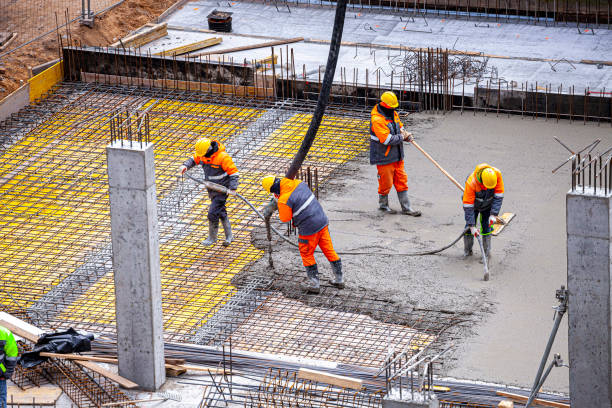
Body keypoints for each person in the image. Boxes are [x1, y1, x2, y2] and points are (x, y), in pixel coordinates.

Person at [261, 175, 343, 294]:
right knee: (329, 250)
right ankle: (339, 279)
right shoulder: (298, 183)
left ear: (274, 190)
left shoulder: (284, 199)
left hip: (309, 229)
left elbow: (285, 218)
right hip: (322, 221)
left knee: (306, 253)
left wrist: (278, 205)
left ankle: (314, 284)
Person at [369, 91, 421, 216]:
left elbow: (400, 127)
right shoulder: (377, 120)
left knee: (402, 181)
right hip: (384, 157)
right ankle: (383, 206)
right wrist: (402, 137)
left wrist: (406, 134)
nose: (394, 110)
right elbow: (386, 140)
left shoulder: (393, 114)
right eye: (392, 107)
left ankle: (407, 208)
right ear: (385, 105)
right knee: (385, 183)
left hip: (397, 156)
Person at [180, 137, 239, 246]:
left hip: (222, 189)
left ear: (209, 149)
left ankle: (212, 238)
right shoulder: (203, 155)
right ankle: (229, 236)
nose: (201, 156)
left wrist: (233, 188)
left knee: (212, 213)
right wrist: (185, 166)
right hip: (211, 188)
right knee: (221, 212)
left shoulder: (222, 157)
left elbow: (234, 173)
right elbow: (193, 159)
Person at [462, 163, 504, 259]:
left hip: (488, 204)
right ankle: (467, 251)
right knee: (468, 228)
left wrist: (493, 214)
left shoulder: (497, 175)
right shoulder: (471, 182)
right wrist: (472, 226)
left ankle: (486, 253)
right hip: (473, 205)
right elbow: (468, 206)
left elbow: (498, 196)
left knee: (486, 226)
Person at [0, 325, 18, 408]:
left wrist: (7, 372)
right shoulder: (4, 332)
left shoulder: (4, 333)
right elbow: (12, 355)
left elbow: (11, 355)